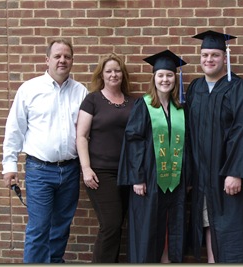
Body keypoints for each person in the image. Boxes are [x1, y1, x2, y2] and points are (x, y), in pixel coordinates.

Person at [1, 39, 88, 263]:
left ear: (72, 61)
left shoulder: (81, 92)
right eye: (57, 56)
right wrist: (9, 166)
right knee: (39, 228)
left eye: (67, 56)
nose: (62, 60)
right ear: (47, 60)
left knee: (61, 228)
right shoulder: (30, 89)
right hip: (39, 171)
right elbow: (15, 129)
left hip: (69, 171)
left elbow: (86, 132)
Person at [186, 30, 243, 263]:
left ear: (225, 58)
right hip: (202, 175)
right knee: (207, 222)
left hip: (226, 174)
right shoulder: (195, 88)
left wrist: (235, 171)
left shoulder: (239, 89)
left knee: (231, 226)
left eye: (214, 55)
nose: (209, 59)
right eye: (205, 54)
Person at [117, 49, 188, 263]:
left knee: (171, 223)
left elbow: (187, 146)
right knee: (148, 226)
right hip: (148, 177)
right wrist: (137, 177)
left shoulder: (181, 107)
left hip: (175, 179)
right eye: (161, 75)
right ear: (154, 78)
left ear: (175, 78)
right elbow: (133, 141)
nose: (165, 80)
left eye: (169, 75)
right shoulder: (144, 105)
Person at [76, 53, 133, 262]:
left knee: (118, 226)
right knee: (110, 224)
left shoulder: (132, 102)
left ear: (123, 74)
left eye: (117, 70)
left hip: (126, 173)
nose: (113, 74)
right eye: (108, 71)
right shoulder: (92, 100)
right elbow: (81, 136)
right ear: (102, 74)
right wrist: (86, 168)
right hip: (100, 172)